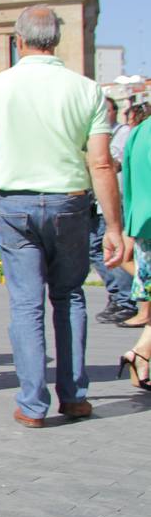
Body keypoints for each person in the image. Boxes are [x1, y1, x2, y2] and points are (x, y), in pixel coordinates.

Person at [0, 5, 125, 428]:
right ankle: (73, 396)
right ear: (58, 39)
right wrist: (114, 226)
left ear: (18, 40)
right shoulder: (87, 89)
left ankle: (32, 404)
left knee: (26, 304)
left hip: (13, 204)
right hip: (69, 203)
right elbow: (102, 163)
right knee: (69, 297)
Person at [92, 97, 137, 323]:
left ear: (114, 112)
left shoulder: (123, 133)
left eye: (106, 110)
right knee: (96, 250)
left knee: (115, 249)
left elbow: (111, 163)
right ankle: (119, 294)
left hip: (114, 201)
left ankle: (127, 299)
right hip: (95, 201)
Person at [117, 110, 151, 389]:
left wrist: (128, 227)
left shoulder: (139, 132)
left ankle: (141, 354)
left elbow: (127, 181)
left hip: (142, 222)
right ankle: (141, 354)